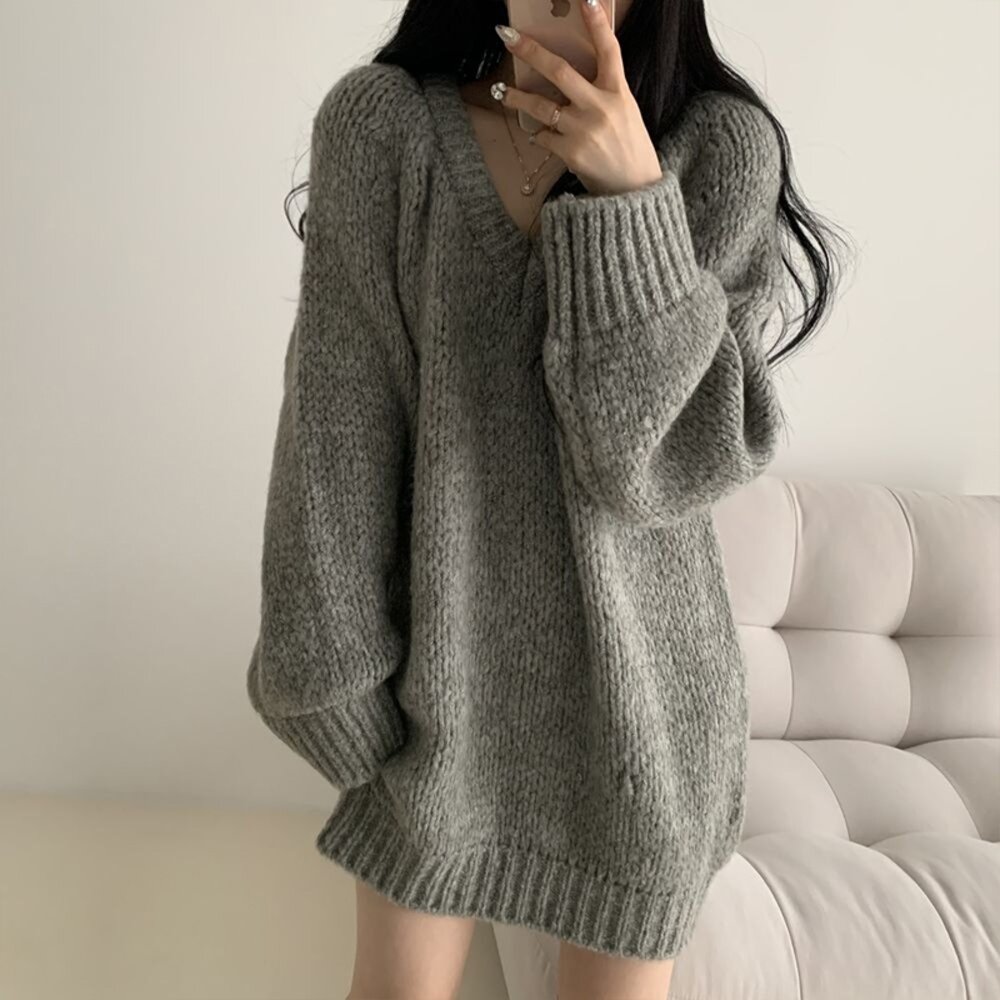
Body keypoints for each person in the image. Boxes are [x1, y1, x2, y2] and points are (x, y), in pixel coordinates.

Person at [246, 0, 848, 997]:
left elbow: (653, 468)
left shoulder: (721, 152)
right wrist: (330, 674)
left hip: (645, 727)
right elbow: (334, 428)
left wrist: (632, 200)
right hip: (437, 708)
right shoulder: (383, 128)